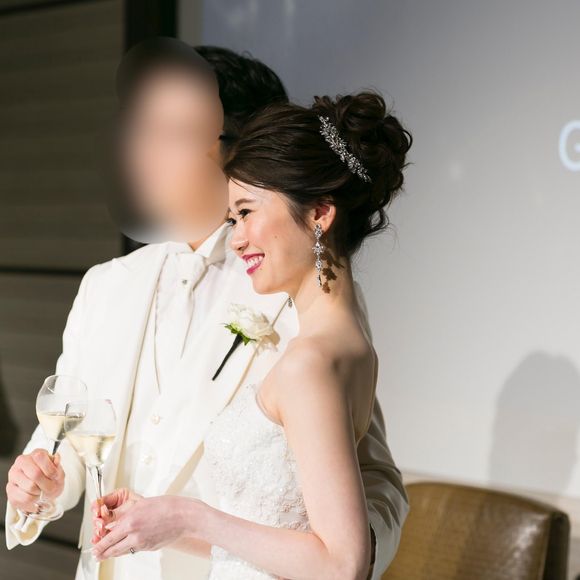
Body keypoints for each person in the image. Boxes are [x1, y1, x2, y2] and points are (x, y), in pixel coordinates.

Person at [5, 38, 408, 580]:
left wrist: (343, 557)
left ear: (233, 148)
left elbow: (375, 481)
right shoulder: (106, 286)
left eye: (170, 134)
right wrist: (44, 488)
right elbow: (69, 436)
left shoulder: (302, 290)